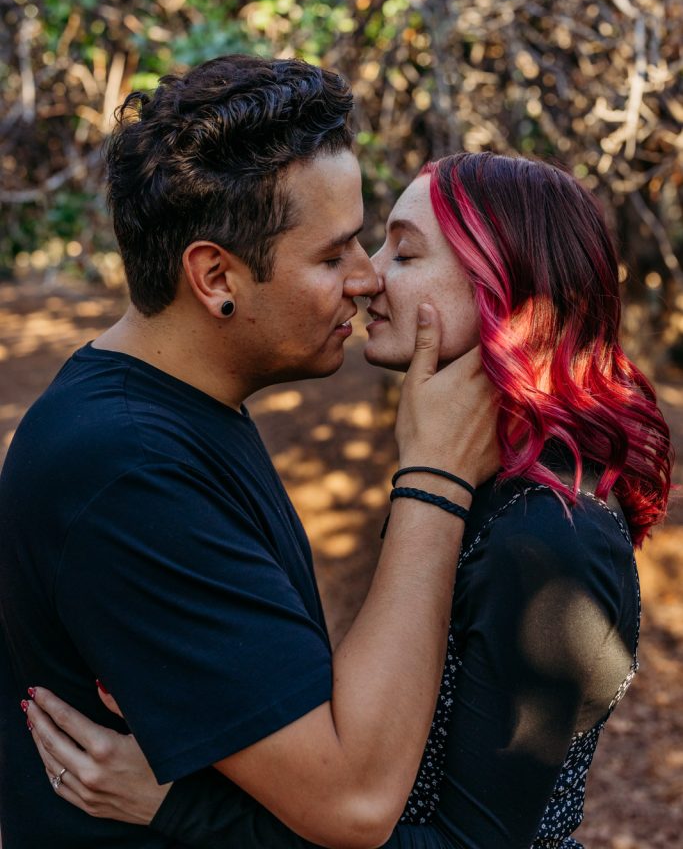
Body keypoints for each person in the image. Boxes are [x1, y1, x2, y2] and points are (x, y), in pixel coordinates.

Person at [23, 152, 672, 849]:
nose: (368, 279)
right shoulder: (463, 486)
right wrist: (211, 698)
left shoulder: (555, 540)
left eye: (404, 252)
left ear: (504, 291)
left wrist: (182, 807)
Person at [0, 56, 498, 849]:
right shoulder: (127, 471)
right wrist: (433, 477)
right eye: (332, 256)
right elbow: (356, 802)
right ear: (215, 276)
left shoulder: (180, 411)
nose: (367, 280)